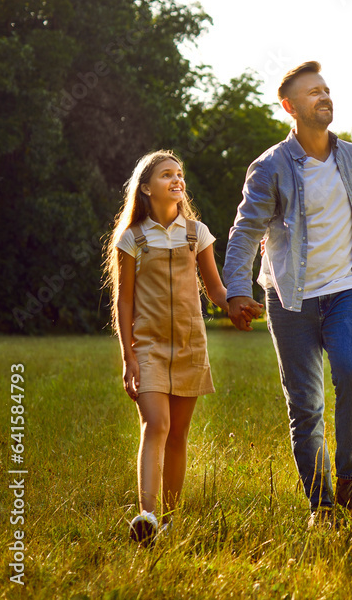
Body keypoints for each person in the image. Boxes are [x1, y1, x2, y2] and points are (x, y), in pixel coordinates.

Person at [223, 61, 352, 527]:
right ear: (290, 107)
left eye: (327, 89)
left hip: (345, 289)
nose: (324, 97)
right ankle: (322, 504)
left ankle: (349, 479)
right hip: (289, 299)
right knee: (305, 405)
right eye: (313, 92)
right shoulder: (270, 166)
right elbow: (246, 230)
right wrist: (234, 290)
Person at [106, 150, 238, 543]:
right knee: (156, 425)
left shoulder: (197, 233)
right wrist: (128, 356)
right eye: (167, 175)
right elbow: (124, 301)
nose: (177, 180)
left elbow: (215, 289)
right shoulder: (132, 238)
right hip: (146, 346)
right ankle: (146, 515)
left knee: (178, 432)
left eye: (179, 174)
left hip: (190, 343)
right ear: (146, 188)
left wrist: (238, 305)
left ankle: (169, 520)